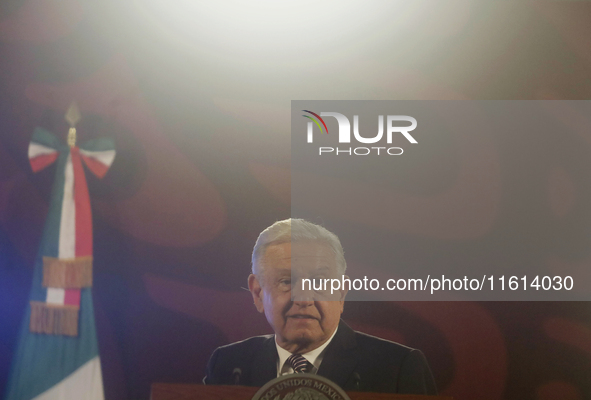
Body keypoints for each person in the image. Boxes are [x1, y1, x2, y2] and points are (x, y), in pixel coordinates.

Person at [203, 218, 437, 394]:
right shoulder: (229, 364)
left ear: (342, 293)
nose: (304, 299)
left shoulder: (398, 367)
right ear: (257, 292)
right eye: (287, 281)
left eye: (319, 281)